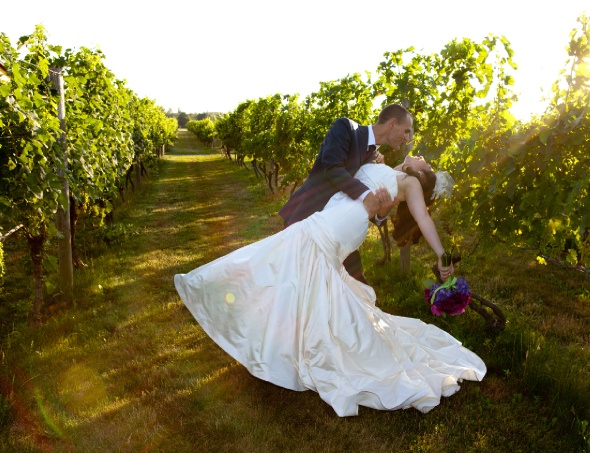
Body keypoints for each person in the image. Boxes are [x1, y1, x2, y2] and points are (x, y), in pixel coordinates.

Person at [174, 154, 486, 417]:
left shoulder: (411, 182)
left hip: (337, 226)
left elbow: (423, 219)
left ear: (421, 174)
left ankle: (238, 309)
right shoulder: (389, 167)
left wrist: (442, 255)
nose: (420, 155)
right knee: (289, 271)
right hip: (334, 219)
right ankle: (272, 337)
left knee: (280, 264)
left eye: (425, 162)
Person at [278, 104, 413, 284]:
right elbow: (331, 167)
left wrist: (382, 212)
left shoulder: (374, 158)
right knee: (290, 282)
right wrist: (366, 194)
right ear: (392, 124)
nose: (407, 138)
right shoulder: (346, 128)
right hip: (306, 218)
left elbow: (368, 207)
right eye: (406, 131)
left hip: (339, 235)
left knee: (357, 288)